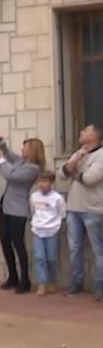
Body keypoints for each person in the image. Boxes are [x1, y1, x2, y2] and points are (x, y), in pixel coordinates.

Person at [0, 135, 45, 293]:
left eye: (25, 147)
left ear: (33, 150)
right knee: (5, 242)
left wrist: (0, 159)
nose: (22, 149)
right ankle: (12, 276)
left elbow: (11, 176)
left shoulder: (33, 168)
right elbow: (8, 153)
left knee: (18, 244)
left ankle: (25, 280)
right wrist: (0, 143)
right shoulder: (21, 162)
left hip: (18, 210)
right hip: (5, 207)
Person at [60, 123, 103, 299]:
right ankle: (75, 284)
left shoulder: (101, 155)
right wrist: (76, 159)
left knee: (98, 250)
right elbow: (62, 174)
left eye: (85, 130)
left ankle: (100, 287)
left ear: (95, 135)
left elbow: (90, 178)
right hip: (73, 208)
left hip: (93, 209)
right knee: (74, 248)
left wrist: (74, 172)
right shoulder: (80, 152)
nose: (80, 132)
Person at [29, 171, 66, 297]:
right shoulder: (34, 196)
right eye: (39, 181)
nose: (41, 184)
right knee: (39, 257)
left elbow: (62, 215)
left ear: (51, 183)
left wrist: (56, 226)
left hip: (52, 231)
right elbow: (32, 211)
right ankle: (42, 283)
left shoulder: (58, 198)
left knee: (51, 258)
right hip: (37, 230)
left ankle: (52, 280)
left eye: (44, 181)